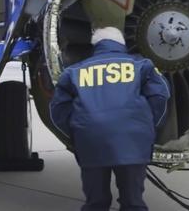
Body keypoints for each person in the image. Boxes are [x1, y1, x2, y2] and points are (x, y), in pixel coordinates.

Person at [50, 26, 170, 211]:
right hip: (133, 140)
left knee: (96, 203)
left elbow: (58, 108)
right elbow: (160, 96)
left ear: (95, 46)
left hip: (90, 142)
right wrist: (147, 126)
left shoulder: (73, 72)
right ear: (121, 44)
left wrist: (77, 131)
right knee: (133, 202)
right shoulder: (142, 66)